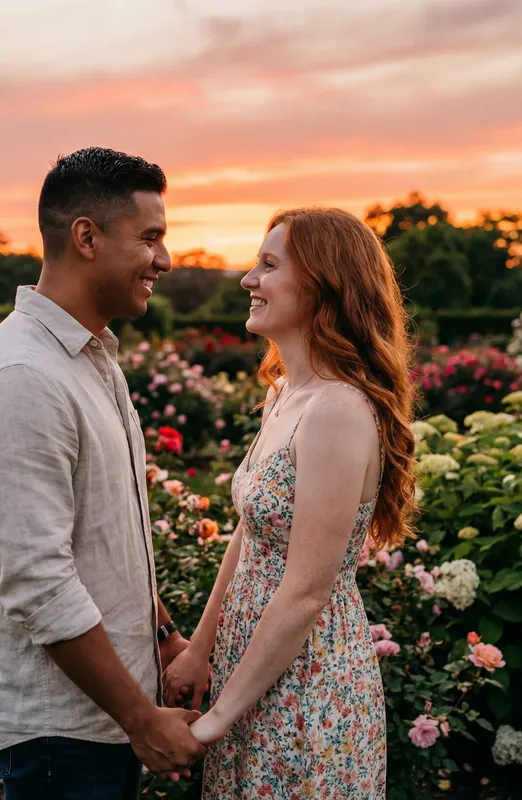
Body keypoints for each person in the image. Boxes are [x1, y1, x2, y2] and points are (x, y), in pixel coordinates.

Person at [0, 147, 205, 799]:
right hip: (62, 737)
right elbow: (38, 579)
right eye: (151, 237)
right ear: (87, 237)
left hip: (99, 723)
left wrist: (166, 638)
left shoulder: (89, 361)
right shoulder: (22, 378)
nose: (165, 260)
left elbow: (104, 543)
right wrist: (140, 716)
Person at [163, 207, 417, 798]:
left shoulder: (337, 410)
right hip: (248, 672)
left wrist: (217, 720)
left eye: (269, 265)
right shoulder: (287, 394)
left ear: (323, 284)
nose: (249, 280)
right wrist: (201, 649)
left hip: (307, 687)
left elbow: (306, 591)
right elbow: (249, 532)